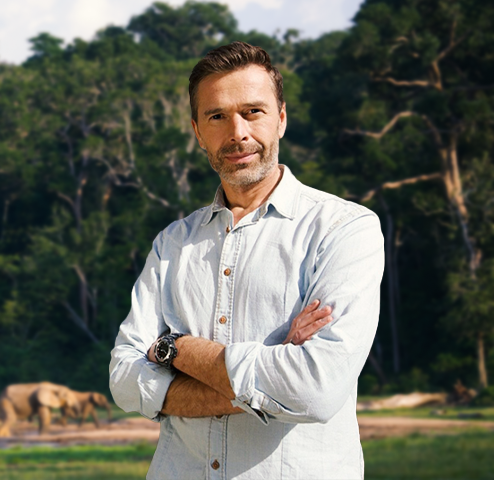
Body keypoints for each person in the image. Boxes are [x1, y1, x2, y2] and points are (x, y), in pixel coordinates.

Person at [108, 41, 384, 479]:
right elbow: (124, 380)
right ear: (198, 132)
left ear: (281, 119)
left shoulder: (345, 229)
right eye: (217, 116)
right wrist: (271, 367)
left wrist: (174, 349)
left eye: (252, 111)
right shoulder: (172, 244)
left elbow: (315, 390)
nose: (236, 132)